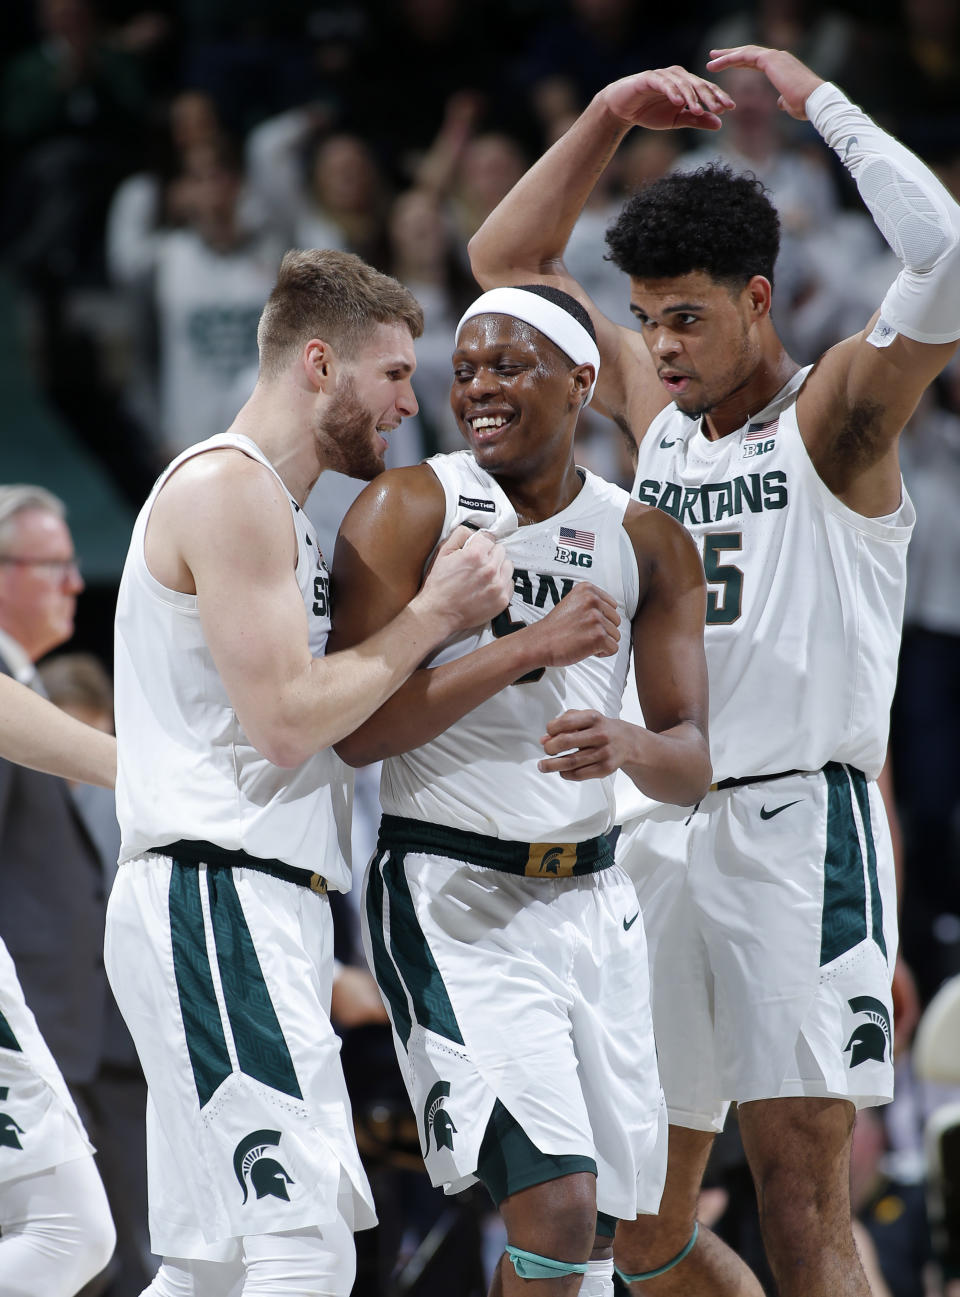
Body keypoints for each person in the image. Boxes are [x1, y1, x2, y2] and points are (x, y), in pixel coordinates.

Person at [467, 48, 960, 1297]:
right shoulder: (660, 419)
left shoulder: (838, 412)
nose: (659, 344)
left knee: (802, 1202)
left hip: (801, 830)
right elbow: (507, 266)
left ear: (757, 297)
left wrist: (818, 103)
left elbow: (946, 255)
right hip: (661, 828)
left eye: (684, 315)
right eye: (643, 319)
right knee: (643, 1225)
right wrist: (602, 115)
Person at [106, 247, 515, 1297]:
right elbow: (289, 725)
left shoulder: (280, 510)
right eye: (393, 376)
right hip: (217, 891)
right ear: (320, 365)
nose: (411, 402)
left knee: (221, 1262)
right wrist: (435, 617)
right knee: (301, 1243)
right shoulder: (228, 488)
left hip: (252, 897)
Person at [328, 282, 712, 1296]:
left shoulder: (646, 538)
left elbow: (693, 758)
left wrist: (628, 742)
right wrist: (527, 648)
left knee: (604, 1235)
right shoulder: (413, 504)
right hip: (455, 893)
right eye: (465, 370)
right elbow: (356, 729)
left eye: (509, 365)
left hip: (597, 899)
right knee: (555, 1206)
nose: (480, 388)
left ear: (582, 379)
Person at [0, 484, 119, 1294]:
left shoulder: (24, 684)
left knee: (75, 1234)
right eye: (55, 566)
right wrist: (155, 774)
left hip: (48, 1015)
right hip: (31, 1008)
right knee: (73, 1232)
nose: (77, 583)